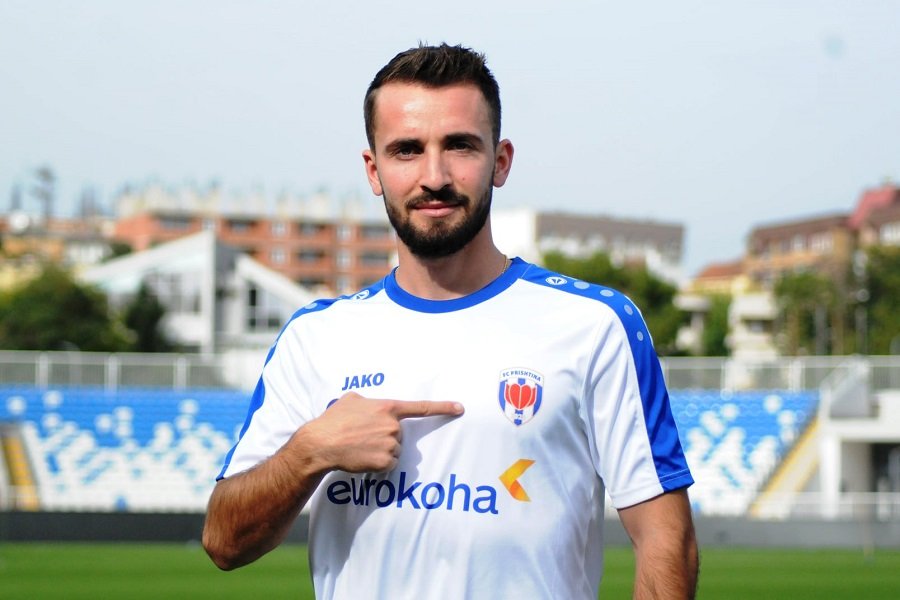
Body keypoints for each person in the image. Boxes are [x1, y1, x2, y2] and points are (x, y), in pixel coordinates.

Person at [203, 43, 699, 599]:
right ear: (373, 170)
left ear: (501, 161)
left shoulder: (595, 325)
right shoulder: (315, 337)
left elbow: (666, 539)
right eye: (406, 150)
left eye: (460, 146)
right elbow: (223, 541)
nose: (434, 176)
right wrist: (310, 452)